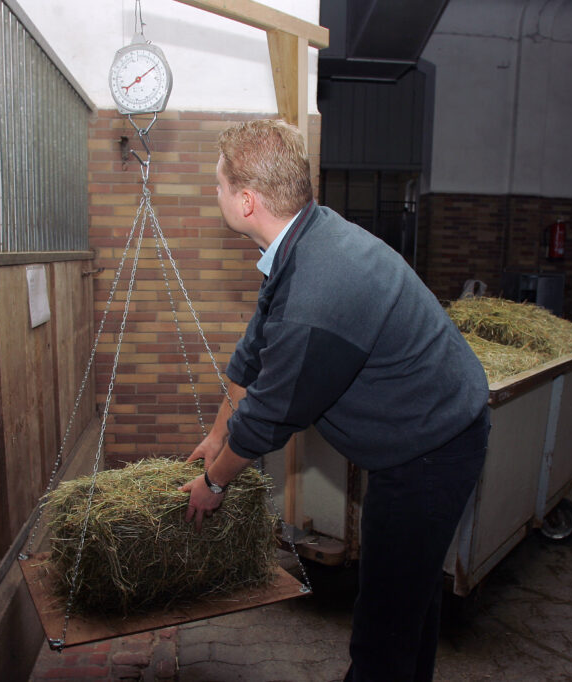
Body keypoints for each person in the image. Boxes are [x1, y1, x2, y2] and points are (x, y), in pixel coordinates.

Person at [178, 119, 490, 681]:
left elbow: (272, 415)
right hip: (420, 430)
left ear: (246, 201)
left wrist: (215, 483)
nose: (215, 194)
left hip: (433, 445)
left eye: (219, 185)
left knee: (383, 625)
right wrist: (216, 433)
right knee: (407, 599)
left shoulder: (319, 289)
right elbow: (254, 354)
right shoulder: (304, 238)